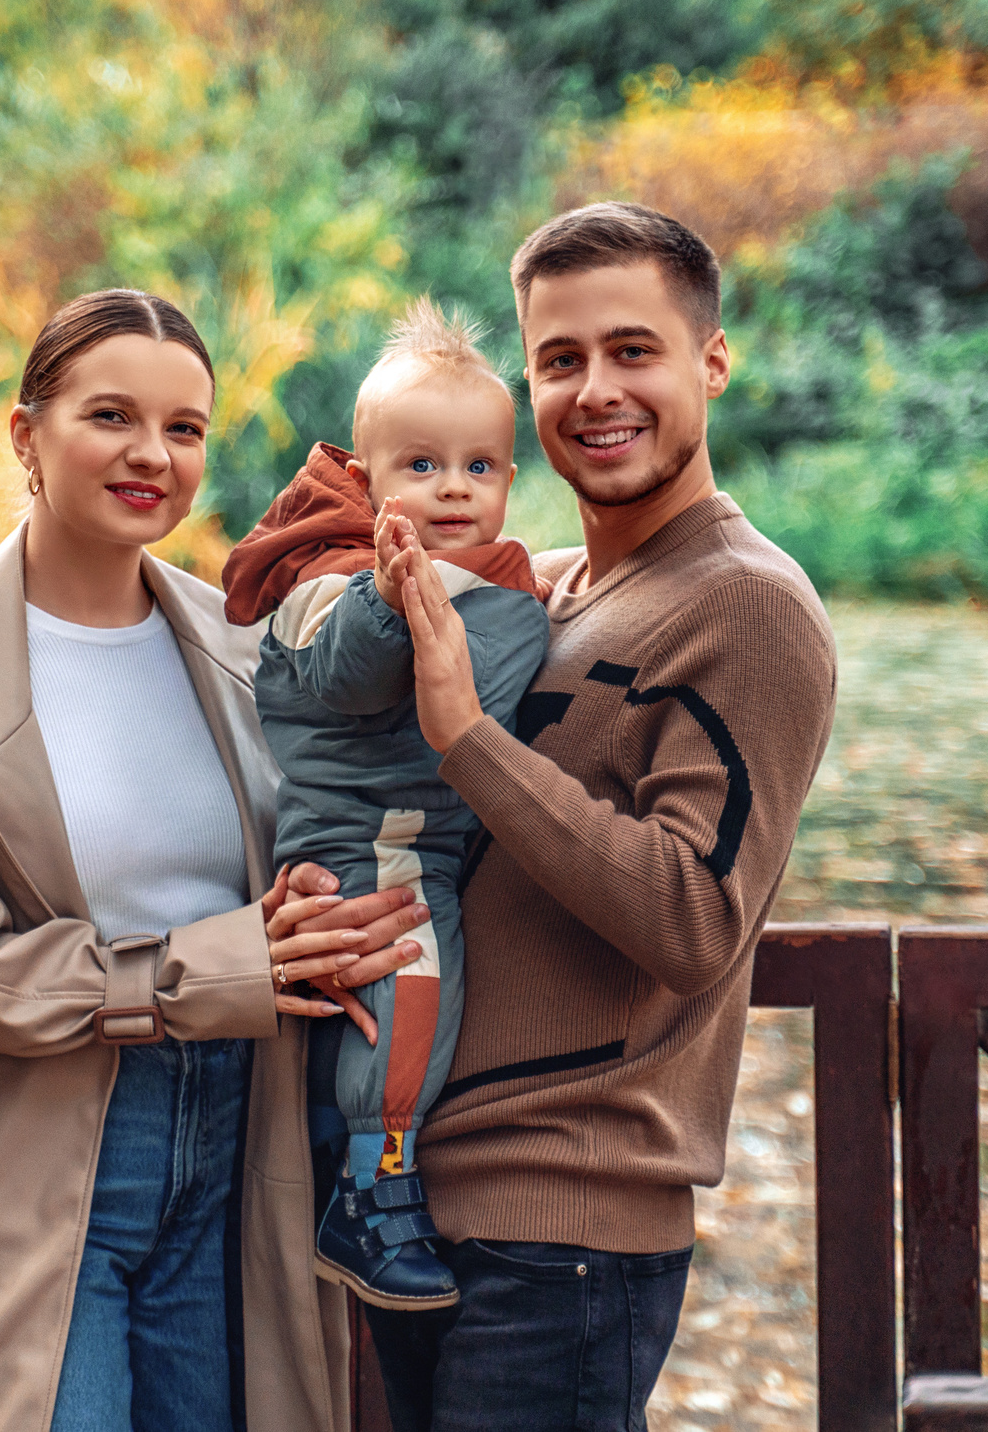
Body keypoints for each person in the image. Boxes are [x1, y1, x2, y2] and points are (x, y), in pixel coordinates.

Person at [0, 288, 430, 1432]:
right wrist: (208, 967)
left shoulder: (242, 645)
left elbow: (324, 825)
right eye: (111, 416)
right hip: (23, 1152)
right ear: (25, 434)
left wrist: (315, 902)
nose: (152, 454)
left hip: (239, 1152)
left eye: (183, 428)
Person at [292, 203, 841, 1432]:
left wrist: (468, 738)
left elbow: (696, 920)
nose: (596, 390)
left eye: (632, 350)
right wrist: (316, 893)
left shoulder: (746, 605)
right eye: (559, 359)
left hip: (566, 1233)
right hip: (413, 1203)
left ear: (710, 360)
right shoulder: (533, 591)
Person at [217, 301, 551, 1313]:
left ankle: (349, 1166)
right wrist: (387, 594)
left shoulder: (500, 587)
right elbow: (345, 681)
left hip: (387, 835)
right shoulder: (333, 579)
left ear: (510, 480)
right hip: (380, 841)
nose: (453, 487)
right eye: (421, 466)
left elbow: (482, 698)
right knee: (413, 984)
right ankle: (373, 1190)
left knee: (378, 1004)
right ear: (366, 483)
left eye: (479, 467)